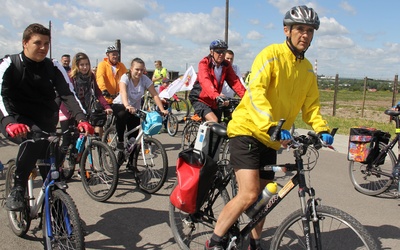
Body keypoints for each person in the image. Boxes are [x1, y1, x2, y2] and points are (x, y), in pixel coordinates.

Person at [205, 6, 334, 250]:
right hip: (248, 130)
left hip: (271, 138)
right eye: (300, 29)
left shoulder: (307, 70)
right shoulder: (270, 55)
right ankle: (213, 243)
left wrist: (321, 129)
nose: (305, 35)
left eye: (309, 30)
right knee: (250, 194)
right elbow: (256, 93)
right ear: (287, 30)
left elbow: (312, 107)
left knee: (265, 200)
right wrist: (272, 124)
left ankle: (255, 243)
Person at [0, 23, 94, 212]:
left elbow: (68, 94)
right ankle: (18, 188)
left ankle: (59, 212)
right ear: (25, 43)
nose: (43, 48)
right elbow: (1, 95)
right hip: (16, 118)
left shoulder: (53, 66)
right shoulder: (10, 63)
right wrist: (9, 122)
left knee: (52, 162)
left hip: (44, 118)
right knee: (34, 142)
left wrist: (81, 118)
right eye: (38, 43)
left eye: (47, 43)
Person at [112, 58, 168, 165]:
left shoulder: (145, 79)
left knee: (134, 138)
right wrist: (127, 105)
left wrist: (162, 110)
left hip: (135, 109)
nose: (139, 72)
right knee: (122, 114)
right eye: (137, 69)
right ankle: (120, 141)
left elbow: (155, 94)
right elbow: (123, 92)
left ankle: (131, 164)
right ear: (131, 69)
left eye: (142, 70)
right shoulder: (125, 77)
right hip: (120, 104)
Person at [59, 52, 113, 153]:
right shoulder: (70, 77)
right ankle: (59, 165)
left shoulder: (90, 77)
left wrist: (106, 106)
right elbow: (69, 96)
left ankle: (80, 166)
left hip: (83, 110)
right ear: (76, 65)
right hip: (67, 111)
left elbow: (98, 92)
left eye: (87, 64)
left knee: (82, 139)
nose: (85, 67)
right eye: (82, 65)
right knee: (67, 141)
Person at [189, 39, 246, 123]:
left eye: (223, 52)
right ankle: (202, 136)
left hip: (214, 100)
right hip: (200, 98)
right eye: (218, 52)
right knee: (214, 120)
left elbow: (235, 82)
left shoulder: (226, 65)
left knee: (220, 125)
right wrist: (216, 95)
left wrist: (247, 97)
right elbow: (205, 81)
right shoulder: (204, 63)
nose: (221, 54)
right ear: (212, 52)